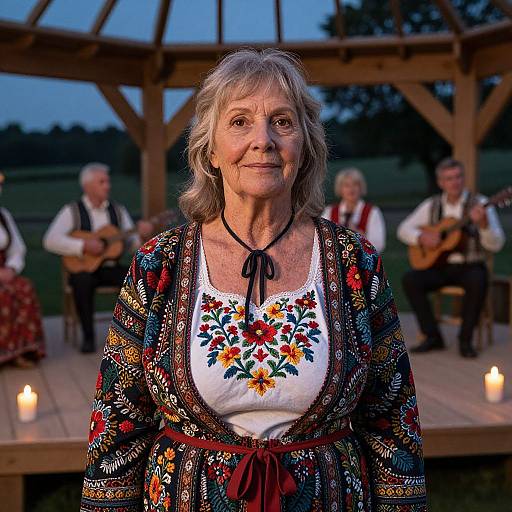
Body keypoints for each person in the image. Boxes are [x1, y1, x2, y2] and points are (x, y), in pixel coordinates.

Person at [81, 49, 426, 512]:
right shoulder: (159, 264)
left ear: (304, 147)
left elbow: (393, 420)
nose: (263, 140)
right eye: (239, 121)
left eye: (282, 122)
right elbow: (117, 425)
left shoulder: (353, 262)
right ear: (210, 150)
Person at [397, 158, 505, 358]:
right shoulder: (432, 205)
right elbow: (403, 229)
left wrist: (484, 225)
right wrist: (421, 236)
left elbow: (497, 244)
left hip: (469, 266)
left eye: (458, 177)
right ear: (441, 183)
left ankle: (465, 341)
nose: (454, 182)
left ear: (463, 178)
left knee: (478, 278)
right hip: (439, 267)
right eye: (449, 178)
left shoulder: (480, 203)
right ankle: (433, 336)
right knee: (411, 279)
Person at [43, 163, 153, 353]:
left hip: (110, 267)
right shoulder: (72, 211)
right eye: (102, 182)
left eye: (108, 181)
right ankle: (88, 337)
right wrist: (82, 245)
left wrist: (142, 235)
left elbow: (134, 243)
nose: (108, 185)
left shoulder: (118, 210)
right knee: (82, 281)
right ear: (87, 186)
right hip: (83, 268)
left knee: (138, 278)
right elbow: (50, 240)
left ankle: (135, 335)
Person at [0, 172, 45, 367]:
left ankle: (22, 350)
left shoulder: (3, 215)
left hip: (4, 271)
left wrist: (11, 267)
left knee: (24, 287)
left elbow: (17, 247)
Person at [322, 167, 386, 253]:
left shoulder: (372, 212)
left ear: (361, 187)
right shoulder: (329, 211)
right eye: (346, 185)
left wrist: (358, 234)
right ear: (340, 189)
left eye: (355, 184)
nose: (351, 189)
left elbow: (379, 245)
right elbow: (321, 241)